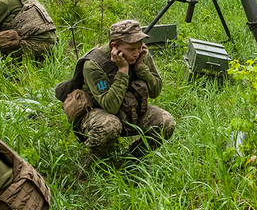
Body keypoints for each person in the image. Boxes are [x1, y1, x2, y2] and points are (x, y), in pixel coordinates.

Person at [54, 19, 175, 159]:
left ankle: (132, 159)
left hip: (130, 109)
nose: (136, 53)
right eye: (131, 49)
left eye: (139, 47)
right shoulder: (94, 64)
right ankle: (92, 162)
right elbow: (110, 106)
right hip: (97, 112)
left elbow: (156, 91)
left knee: (166, 122)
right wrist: (123, 70)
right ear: (114, 46)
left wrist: (141, 68)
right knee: (109, 126)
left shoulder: (141, 54)